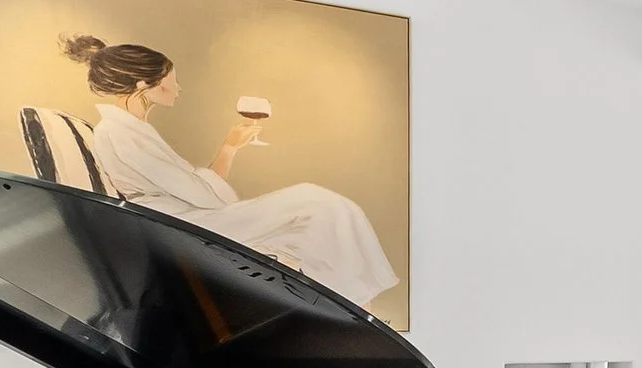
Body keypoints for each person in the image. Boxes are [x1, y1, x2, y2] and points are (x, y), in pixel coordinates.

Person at [65, 34, 399, 309]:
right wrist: (224, 169)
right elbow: (197, 193)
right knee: (315, 204)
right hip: (175, 225)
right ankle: (352, 303)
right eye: (172, 81)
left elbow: (193, 187)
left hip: (184, 216)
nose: (178, 89)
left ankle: (344, 302)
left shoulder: (133, 129)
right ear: (143, 84)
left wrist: (229, 148)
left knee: (312, 210)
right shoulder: (120, 132)